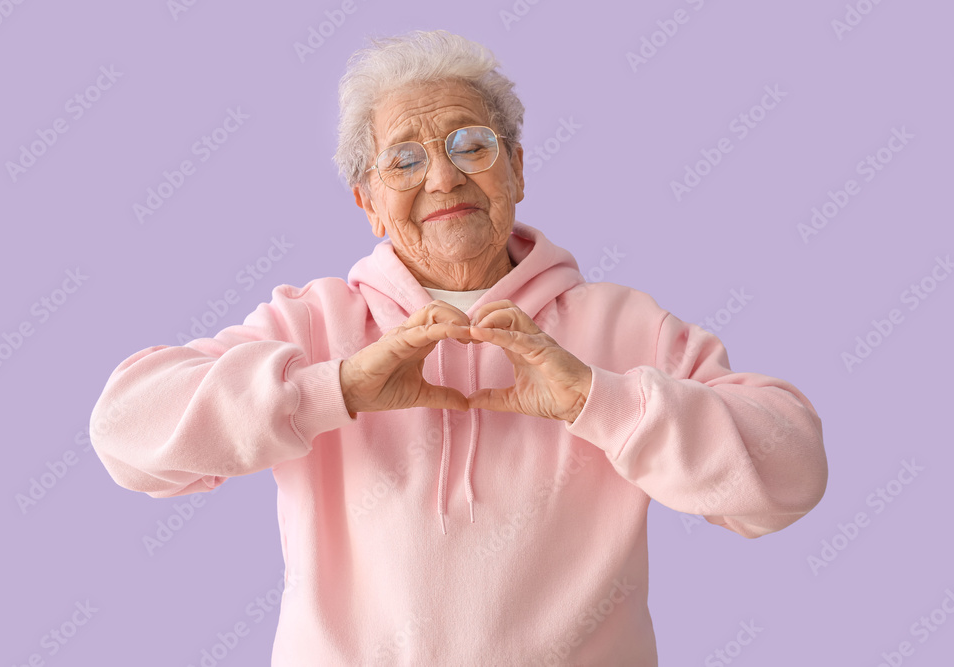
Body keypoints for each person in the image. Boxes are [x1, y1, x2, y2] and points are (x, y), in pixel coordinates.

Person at [89, 29, 828, 666]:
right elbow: (124, 432)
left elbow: (792, 474)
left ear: (517, 167)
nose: (442, 175)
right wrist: (334, 389)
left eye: (469, 144)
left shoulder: (625, 326)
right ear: (369, 203)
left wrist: (594, 400)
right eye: (404, 160)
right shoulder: (313, 324)